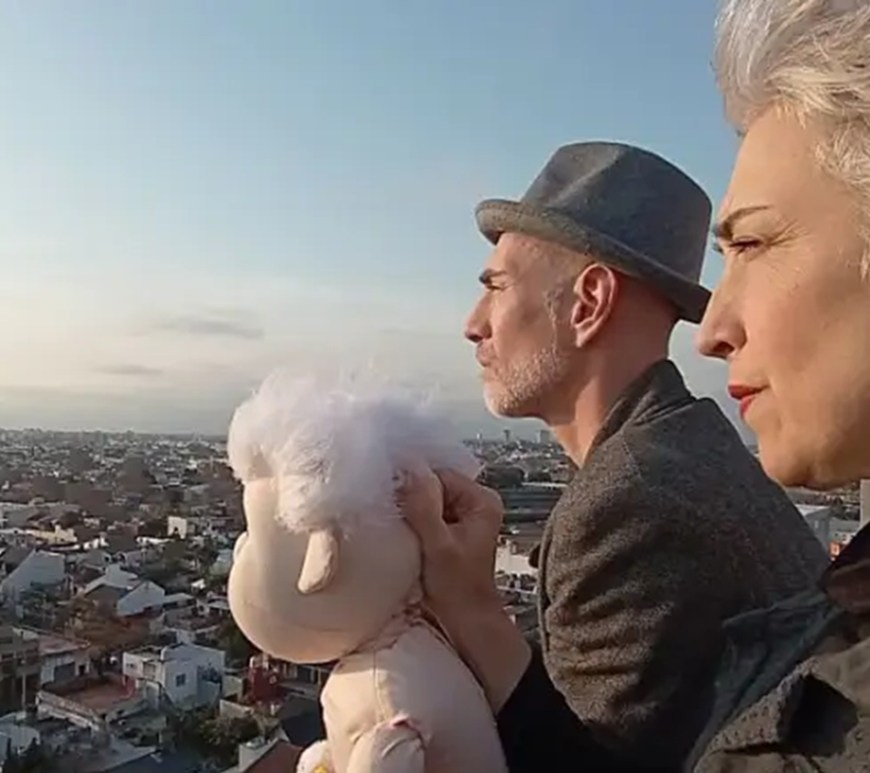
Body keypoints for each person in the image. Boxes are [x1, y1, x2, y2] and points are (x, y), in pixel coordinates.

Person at [406, 0, 870, 769]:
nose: (472, 322)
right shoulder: (688, 450)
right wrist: (474, 609)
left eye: (496, 286)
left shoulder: (625, 504)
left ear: (588, 302)